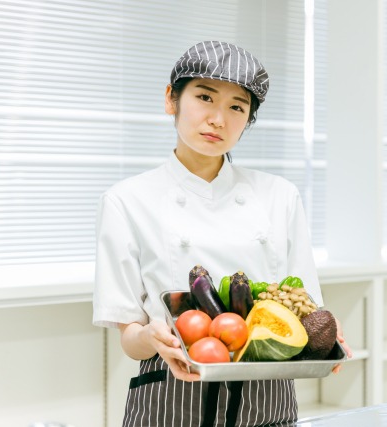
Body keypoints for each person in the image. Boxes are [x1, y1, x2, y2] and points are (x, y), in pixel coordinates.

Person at [92, 40, 352, 427]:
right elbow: (130, 337)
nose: (218, 119)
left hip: (268, 400)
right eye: (204, 97)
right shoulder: (127, 200)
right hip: (170, 395)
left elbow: (306, 307)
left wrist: (326, 342)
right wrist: (151, 338)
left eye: (236, 107)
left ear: (248, 120)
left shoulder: (279, 196)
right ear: (171, 99)